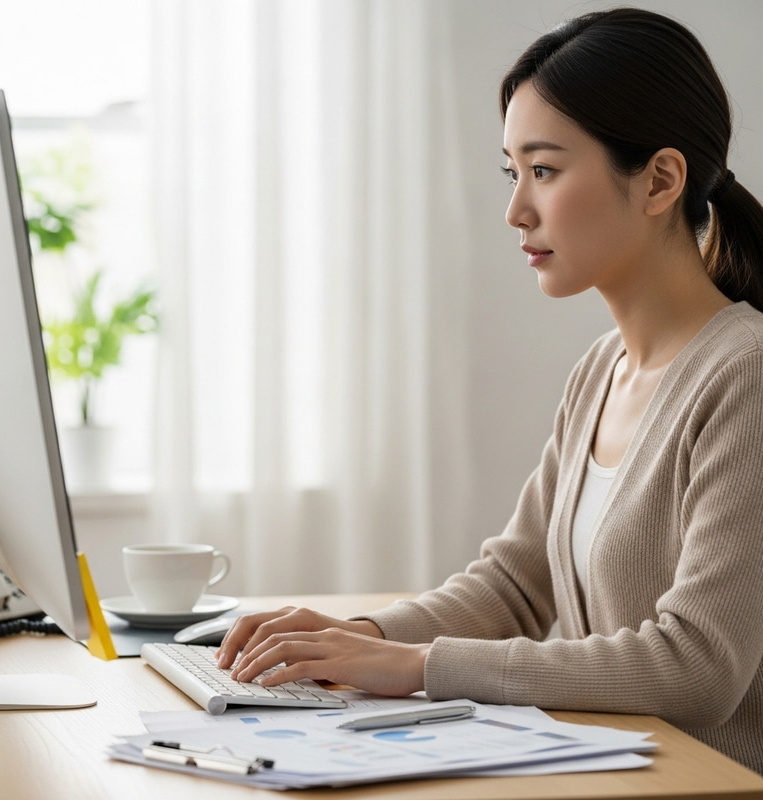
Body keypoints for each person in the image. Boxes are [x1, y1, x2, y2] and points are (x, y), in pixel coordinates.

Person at [216, 7, 763, 774]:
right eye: (513, 172)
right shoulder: (603, 368)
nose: (516, 211)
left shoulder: (746, 376)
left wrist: (419, 666)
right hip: (610, 779)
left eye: (544, 170)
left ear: (660, 180)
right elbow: (513, 584)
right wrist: (364, 638)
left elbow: (697, 666)